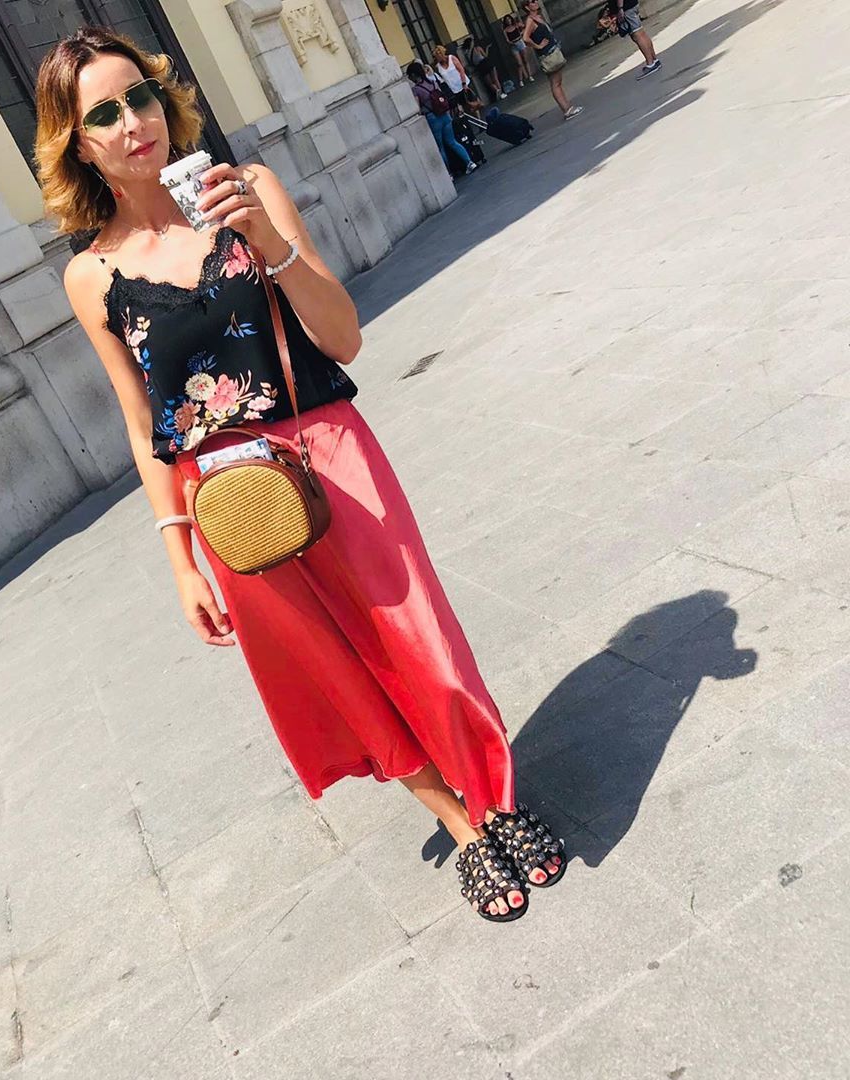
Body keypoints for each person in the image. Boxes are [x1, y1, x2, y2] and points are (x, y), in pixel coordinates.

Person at [39, 26, 563, 924]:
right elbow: (143, 423)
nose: (134, 123)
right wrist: (180, 559)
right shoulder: (91, 278)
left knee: (423, 640)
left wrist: (262, 239)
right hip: (229, 502)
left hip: (329, 453)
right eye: (105, 115)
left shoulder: (251, 189)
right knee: (341, 675)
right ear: (77, 145)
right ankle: (462, 826)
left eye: (140, 97)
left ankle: (497, 798)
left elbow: (342, 337)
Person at [407, 61, 477, 176]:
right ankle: (469, 162)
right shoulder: (433, 82)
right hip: (445, 114)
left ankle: (449, 174)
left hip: (432, 118)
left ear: (414, 75)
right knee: (452, 141)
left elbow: (417, 108)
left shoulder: (416, 90)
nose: (410, 78)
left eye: (410, 76)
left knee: (440, 147)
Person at [522, 0, 583, 120]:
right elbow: (525, 38)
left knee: (557, 82)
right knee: (555, 83)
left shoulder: (538, 17)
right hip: (547, 54)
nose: (535, 2)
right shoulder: (530, 21)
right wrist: (538, 46)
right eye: (532, 1)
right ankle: (567, 109)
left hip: (552, 50)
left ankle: (567, 106)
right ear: (527, 7)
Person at [613, 0, 662, 78]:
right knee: (641, 33)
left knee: (637, 35)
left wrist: (620, 8)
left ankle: (650, 63)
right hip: (631, 5)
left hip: (626, 8)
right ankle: (654, 59)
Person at [432, 44, 473, 110]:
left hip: (464, 84)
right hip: (455, 90)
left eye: (436, 56)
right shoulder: (438, 67)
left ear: (441, 54)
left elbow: (461, 70)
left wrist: (464, 83)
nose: (436, 58)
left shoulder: (452, 58)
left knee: (473, 104)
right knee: (466, 107)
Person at [501, 14, 534, 87]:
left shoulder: (516, 25)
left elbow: (525, 26)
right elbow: (507, 40)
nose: (508, 21)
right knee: (519, 63)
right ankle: (521, 80)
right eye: (507, 20)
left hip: (520, 42)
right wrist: (511, 42)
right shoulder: (505, 30)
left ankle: (530, 76)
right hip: (514, 45)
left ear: (511, 19)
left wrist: (522, 33)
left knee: (525, 60)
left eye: (509, 19)